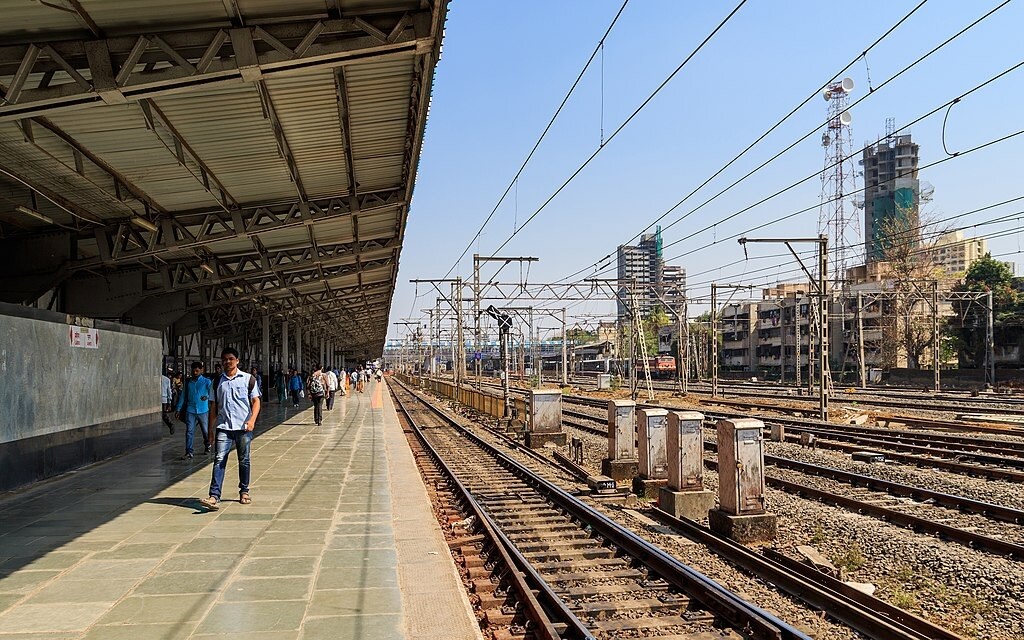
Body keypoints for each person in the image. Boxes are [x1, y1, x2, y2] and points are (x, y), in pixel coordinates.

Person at [200, 347, 261, 511]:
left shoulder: (248, 379)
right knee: (219, 459)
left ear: (237, 361)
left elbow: (256, 401)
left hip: (243, 427)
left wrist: (252, 420)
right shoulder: (217, 382)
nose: (228, 362)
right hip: (224, 427)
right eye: (225, 359)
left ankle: (244, 491)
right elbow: (214, 407)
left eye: (231, 359)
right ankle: (214, 496)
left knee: (244, 460)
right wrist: (210, 430)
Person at [176, 361, 213, 458]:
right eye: (193, 371)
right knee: (189, 431)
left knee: (205, 431)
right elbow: (183, 396)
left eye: (197, 371)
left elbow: (212, 395)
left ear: (201, 370)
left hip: (203, 410)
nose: (195, 373)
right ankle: (189, 451)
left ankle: (207, 445)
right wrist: (178, 408)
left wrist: (207, 397)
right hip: (190, 410)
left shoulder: (207, 382)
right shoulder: (188, 382)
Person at [161, 369, 175, 434]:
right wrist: (169, 402)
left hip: (163, 398)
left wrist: (169, 402)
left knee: (163, 414)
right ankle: (170, 424)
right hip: (163, 398)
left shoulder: (166, 379)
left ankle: (171, 424)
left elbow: (169, 391)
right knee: (163, 414)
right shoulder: (167, 379)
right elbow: (169, 391)